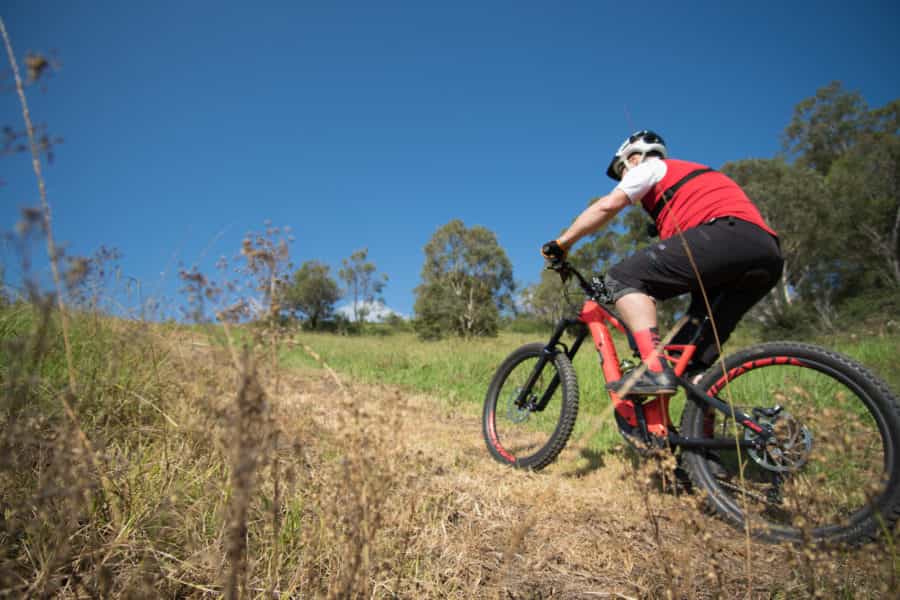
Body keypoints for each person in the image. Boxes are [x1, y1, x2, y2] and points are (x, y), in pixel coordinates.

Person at [542, 130, 783, 396]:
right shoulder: (689, 185)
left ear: (634, 158)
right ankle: (700, 426)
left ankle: (654, 371)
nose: (624, 177)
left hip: (728, 234)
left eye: (622, 169)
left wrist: (562, 243)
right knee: (685, 362)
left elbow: (607, 206)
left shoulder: (651, 167)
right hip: (765, 253)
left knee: (621, 278)